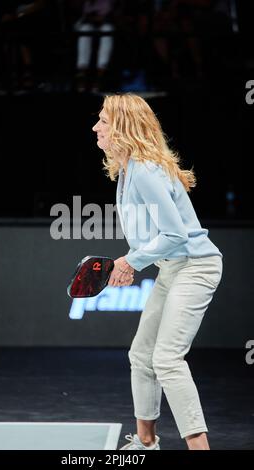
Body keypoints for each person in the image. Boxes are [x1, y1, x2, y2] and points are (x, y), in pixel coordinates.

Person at [92, 93, 223, 450]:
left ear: (122, 127)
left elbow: (176, 235)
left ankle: (199, 447)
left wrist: (131, 262)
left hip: (196, 267)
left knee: (166, 358)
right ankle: (146, 442)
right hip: (172, 269)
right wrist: (130, 261)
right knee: (141, 354)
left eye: (103, 120)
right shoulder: (128, 171)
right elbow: (151, 235)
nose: (96, 127)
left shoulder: (146, 172)